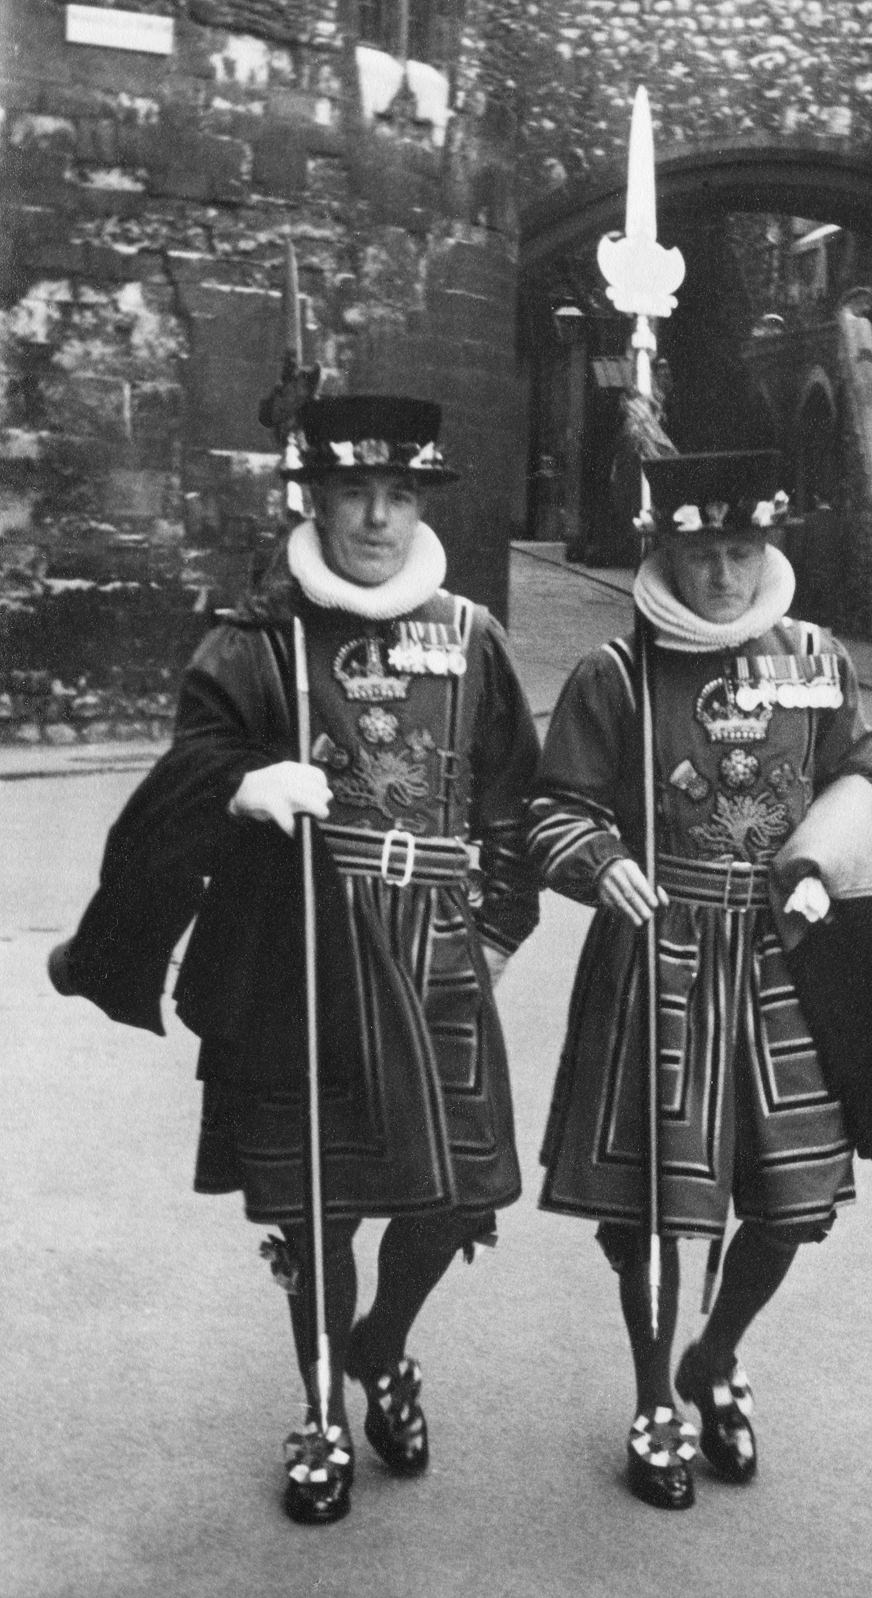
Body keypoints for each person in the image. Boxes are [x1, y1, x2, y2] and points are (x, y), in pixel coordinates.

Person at [47, 394, 541, 1525]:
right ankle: (322, 1402)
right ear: (312, 500)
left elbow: (518, 794)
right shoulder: (259, 632)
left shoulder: (470, 635)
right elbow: (193, 756)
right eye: (354, 493)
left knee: (453, 1193)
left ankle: (382, 1342)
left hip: (439, 945)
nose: (377, 515)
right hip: (303, 940)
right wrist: (243, 782)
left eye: (399, 493)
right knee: (318, 1203)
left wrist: (503, 927)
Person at [527, 450, 872, 1512]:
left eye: (740, 552)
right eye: (700, 554)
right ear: (663, 552)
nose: (722, 576)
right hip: (660, 944)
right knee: (659, 1202)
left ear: (767, 549)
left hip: (787, 946)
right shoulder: (615, 672)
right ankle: (651, 1401)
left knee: (796, 1197)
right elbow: (552, 808)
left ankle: (713, 1355)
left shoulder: (816, 656)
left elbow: (860, 772)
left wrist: (822, 861)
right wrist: (599, 858)